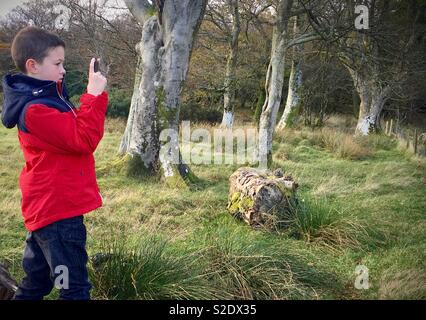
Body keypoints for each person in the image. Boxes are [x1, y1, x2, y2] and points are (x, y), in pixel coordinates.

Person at [1, 26, 108, 300]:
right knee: (74, 288)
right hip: (58, 213)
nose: (63, 70)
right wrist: (93, 96)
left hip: (49, 213)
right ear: (32, 65)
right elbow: (83, 139)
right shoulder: (37, 110)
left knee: (37, 283)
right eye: (57, 63)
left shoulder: (49, 98)